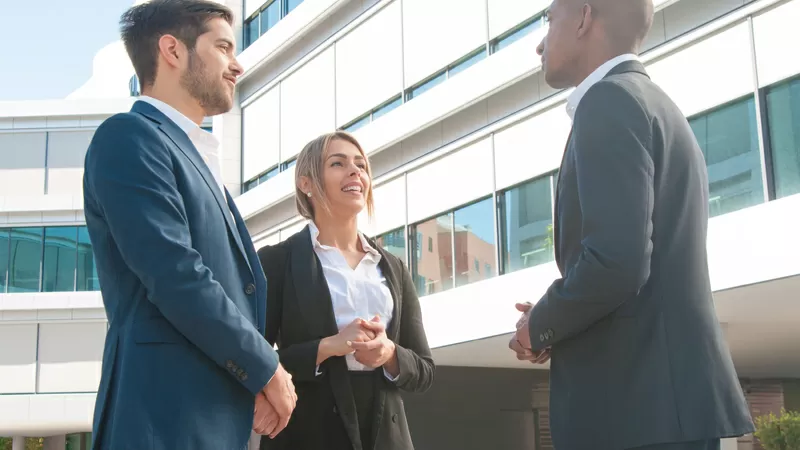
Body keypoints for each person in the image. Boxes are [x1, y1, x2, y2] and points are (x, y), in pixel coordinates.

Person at [508, 0, 754, 449]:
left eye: (548, 19)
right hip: (662, 409)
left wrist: (542, 321)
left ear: (583, 17)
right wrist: (556, 322)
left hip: (634, 412)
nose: (540, 44)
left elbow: (617, 261)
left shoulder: (608, 100)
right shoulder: (659, 107)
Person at [82, 1, 296, 448]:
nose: (237, 65)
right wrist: (266, 367)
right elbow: (177, 275)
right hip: (163, 420)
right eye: (223, 47)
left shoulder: (195, 153)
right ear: (172, 50)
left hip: (211, 419)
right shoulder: (129, 138)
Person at [255, 131, 435, 450]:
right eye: (338, 163)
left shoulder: (393, 267)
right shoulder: (277, 261)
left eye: (361, 165)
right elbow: (254, 357)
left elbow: (423, 370)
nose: (355, 172)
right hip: (307, 434)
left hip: (386, 436)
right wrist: (329, 346)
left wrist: (389, 353)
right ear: (306, 183)